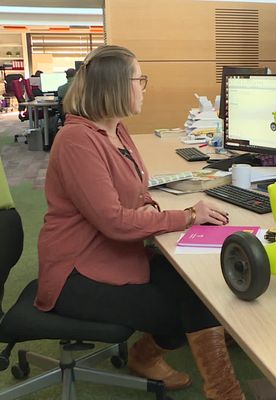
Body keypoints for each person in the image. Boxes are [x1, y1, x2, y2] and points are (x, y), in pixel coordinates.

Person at [35, 45, 244, 399]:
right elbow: (114, 221)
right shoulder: (76, 141)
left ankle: (151, 358)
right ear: (116, 86)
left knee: (197, 290)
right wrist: (188, 216)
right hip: (75, 271)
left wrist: (150, 205)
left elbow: (135, 185)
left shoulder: (116, 131)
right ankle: (222, 390)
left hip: (112, 252)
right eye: (139, 79)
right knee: (182, 310)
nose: (144, 87)